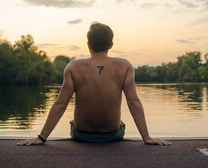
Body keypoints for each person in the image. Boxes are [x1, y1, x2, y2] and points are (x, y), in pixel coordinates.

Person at [18, 22, 170, 146]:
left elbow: (60, 104)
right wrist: (147, 138)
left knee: (73, 121)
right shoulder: (125, 66)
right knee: (121, 122)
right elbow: (133, 102)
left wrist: (42, 137)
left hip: (81, 135)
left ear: (88, 44)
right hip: (112, 136)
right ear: (111, 44)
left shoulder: (73, 67)